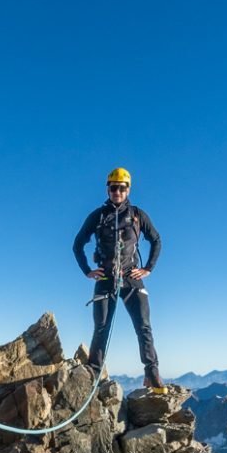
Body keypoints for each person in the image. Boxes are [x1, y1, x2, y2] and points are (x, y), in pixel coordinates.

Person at [72, 167, 167, 393]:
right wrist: (88, 270)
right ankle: (93, 376)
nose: (117, 192)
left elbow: (156, 240)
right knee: (101, 327)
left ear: (128, 189)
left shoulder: (137, 215)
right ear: (108, 189)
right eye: (113, 187)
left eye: (122, 188)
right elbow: (77, 244)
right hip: (105, 277)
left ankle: (152, 375)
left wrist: (148, 269)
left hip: (131, 277)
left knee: (143, 326)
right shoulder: (97, 216)